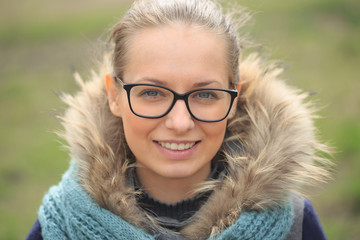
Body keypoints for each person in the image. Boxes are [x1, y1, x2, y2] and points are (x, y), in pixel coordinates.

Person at [26, 0, 332, 239]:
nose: (180, 122)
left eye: (206, 95)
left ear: (233, 98)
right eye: (152, 93)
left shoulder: (294, 225)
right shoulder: (61, 224)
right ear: (115, 96)